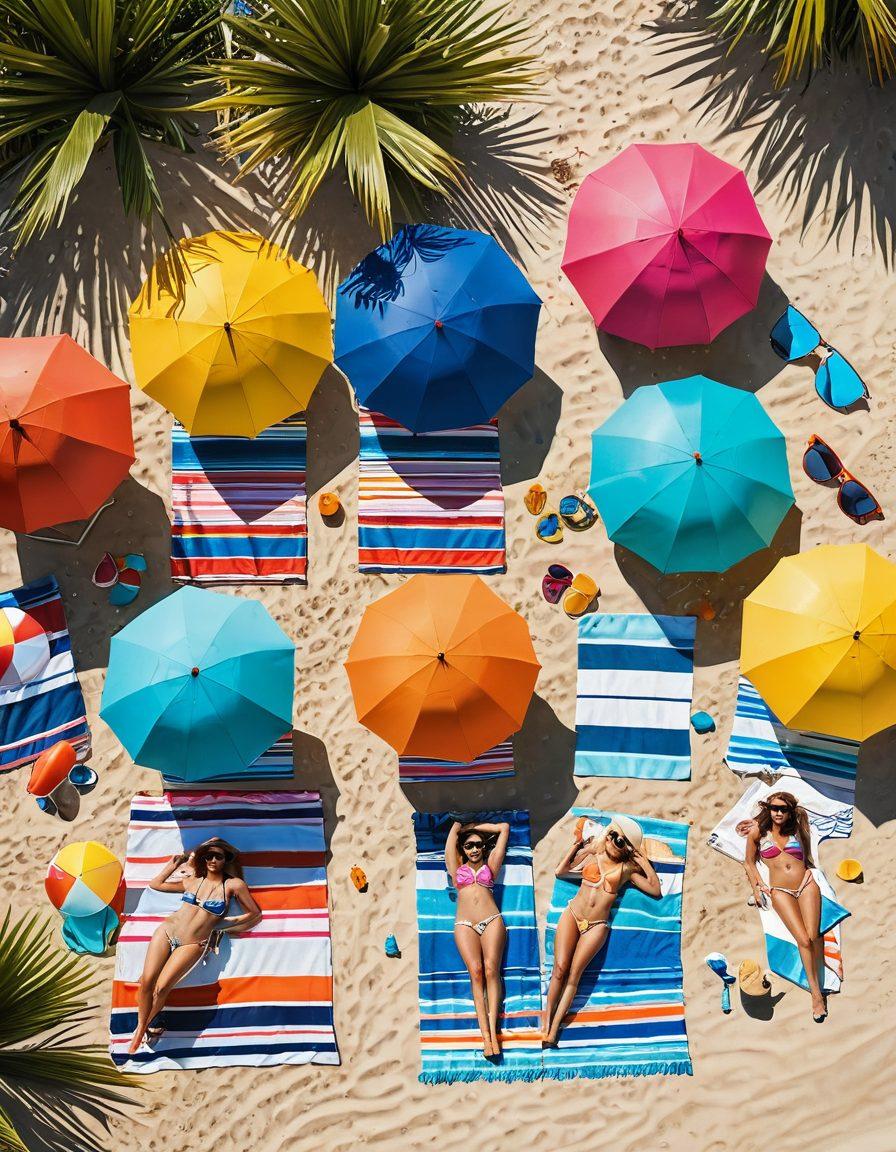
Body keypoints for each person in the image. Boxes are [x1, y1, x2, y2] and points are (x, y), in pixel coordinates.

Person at [127, 837, 262, 1053]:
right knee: (147, 982)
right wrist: (173, 865)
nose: (212, 860)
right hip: (168, 931)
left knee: (161, 988)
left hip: (192, 942)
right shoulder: (193, 879)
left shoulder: (233, 885)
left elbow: (254, 913)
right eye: (208, 855)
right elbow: (156, 885)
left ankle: (141, 1028)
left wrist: (228, 924)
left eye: (218, 856)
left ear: (226, 859)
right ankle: (142, 1028)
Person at [542, 815, 660, 1046]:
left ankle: (554, 1030)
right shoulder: (593, 854)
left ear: (627, 847)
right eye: (612, 834)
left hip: (596, 926)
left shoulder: (627, 869)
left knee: (574, 975)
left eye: (620, 840)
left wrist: (644, 861)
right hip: (573, 914)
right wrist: (578, 845)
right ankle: (545, 1024)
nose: (613, 840)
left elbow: (655, 890)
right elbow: (561, 871)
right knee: (559, 969)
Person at [738, 791, 826, 1022]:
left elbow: (805, 832)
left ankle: (820, 973)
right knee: (803, 940)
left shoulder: (797, 826)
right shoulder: (758, 832)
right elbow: (748, 863)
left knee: (813, 935)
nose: (778, 812)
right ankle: (816, 995)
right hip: (780, 891)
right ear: (768, 809)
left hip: (806, 884)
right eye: (774, 808)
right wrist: (757, 886)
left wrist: (810, 867)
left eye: (783, 809)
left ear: (790, 811)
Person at [444, 819, 511, 1058]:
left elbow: (504, 828)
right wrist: (463, 828)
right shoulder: (456, 868)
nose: (474, 849)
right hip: (465, 924)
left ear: (484, 847)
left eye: (478, 845)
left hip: (491, 920)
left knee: (492, 971)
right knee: (476, 972)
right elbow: (454, 830)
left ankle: (494, 1034)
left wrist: (475, 828)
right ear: (463, 849)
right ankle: (485, 1038)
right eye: (469, 845)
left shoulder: (491, 866)